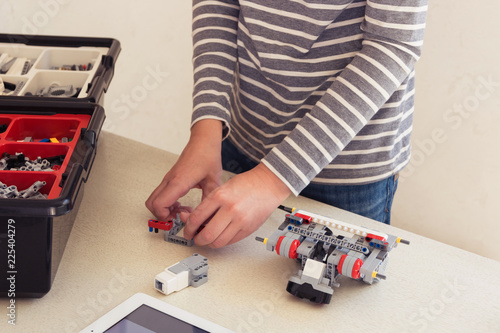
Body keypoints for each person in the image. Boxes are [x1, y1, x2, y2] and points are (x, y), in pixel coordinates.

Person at [146, 0, 428, 248]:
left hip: (346, 170)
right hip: (245, 136)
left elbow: (392, 46)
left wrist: (272, 180)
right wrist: (206, 128)